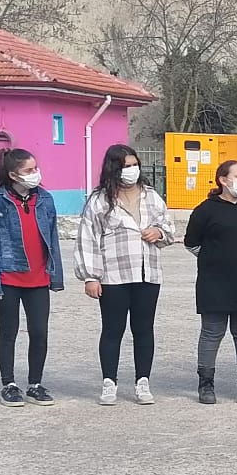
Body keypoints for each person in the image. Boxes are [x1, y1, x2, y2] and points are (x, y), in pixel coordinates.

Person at [77, 143, 173, 406]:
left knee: (144, 329)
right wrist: (90, 276)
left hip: (147, 274)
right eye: (125, 166)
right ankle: (109, 382)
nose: (131, 170)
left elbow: (169, 227)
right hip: (113, 275)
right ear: (113, 169)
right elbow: (88, 238)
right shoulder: (99, 201)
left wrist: (160, 233)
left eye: (134, 165)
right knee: (112, 329)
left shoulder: (151, 196)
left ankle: (143, 382)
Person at [0, 147, 63, 406]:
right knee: (8, 331)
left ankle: (35, 383)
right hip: (8, 277)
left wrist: (55, 275)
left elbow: (53, 240)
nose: (35, 174)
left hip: (38, 278)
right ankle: (9, 384)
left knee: (39, 332)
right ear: (14, 174)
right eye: (29, 170)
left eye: (35, 169)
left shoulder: (45, 199)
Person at [183, 159, 237, 404]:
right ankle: (206, 384)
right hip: (214, 283)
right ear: (223, 180)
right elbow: (192, 243)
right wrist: (216, 258)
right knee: (211, 333)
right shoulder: (205, 210)